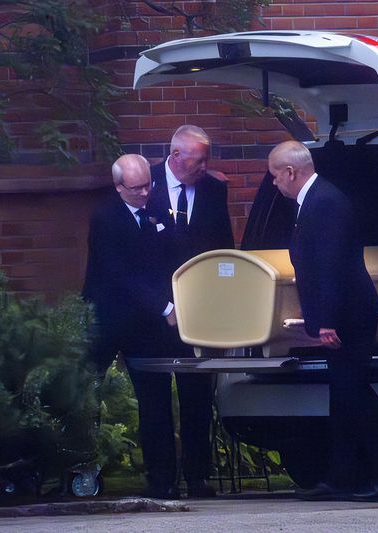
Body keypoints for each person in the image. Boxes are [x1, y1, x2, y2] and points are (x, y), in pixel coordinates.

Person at [267, 140, 378, 502]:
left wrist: (326, 322)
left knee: (354, 394)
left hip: (348, 317)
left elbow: (330, 266)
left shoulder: (324, 202)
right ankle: (342, 475)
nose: (274, 183)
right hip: (342, 314)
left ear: (291, 172)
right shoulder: (315, 200)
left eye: (275, 176)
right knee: (342, 397)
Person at [82, 154, 187, 499]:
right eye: (136, 188)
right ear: (118, 186)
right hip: (110, 317)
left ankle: (162, 479)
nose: (145, 193)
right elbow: (119, 275)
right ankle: (82, 468)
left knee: (155, 398)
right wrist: (165, 307)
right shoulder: (105, 218)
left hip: (147, 324)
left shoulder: (157, 207)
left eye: (148, 185)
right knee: (86, 393)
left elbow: (170, 258)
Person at [141, 125, 235, 498]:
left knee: (198, 395)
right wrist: (161, 303)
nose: (205, 166)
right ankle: (161, 478)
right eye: (199, 160)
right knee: (155, 399)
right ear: (176, 156)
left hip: (201, 311)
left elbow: (222, 247)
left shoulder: (213, 189)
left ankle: (198, 475)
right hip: (155, 313)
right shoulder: (144, 186)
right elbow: (136, 258)